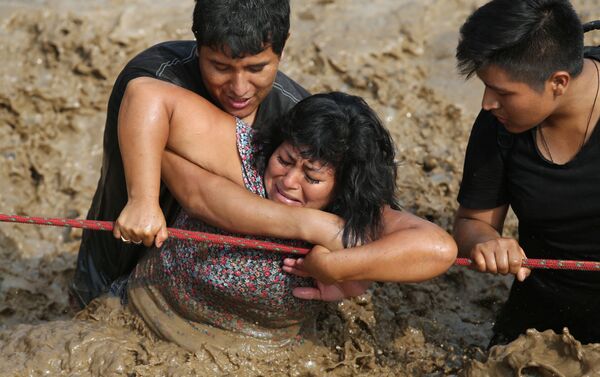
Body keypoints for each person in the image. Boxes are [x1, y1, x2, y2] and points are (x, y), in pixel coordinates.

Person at [117, 88, 457, 349]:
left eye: (312, 177)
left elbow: (438, 248)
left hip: (259, 353)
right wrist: (143, 200)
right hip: (146, 317)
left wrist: (338, 268)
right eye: (286, 159)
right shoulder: (249, 156)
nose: (289, 181)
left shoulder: (352, 216)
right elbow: (145, 95)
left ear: (343, 190)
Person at [69, 0, 310, 307]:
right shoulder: (154, 77)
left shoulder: (296, 115)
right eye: (220, 67)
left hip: (214, 296)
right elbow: (198, 192)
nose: (239, 88)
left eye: (256, 68)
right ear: (199, 47)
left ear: (282, 46)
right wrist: (142, 200)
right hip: (116, 264)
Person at [453, 0, 600, 346]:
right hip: (545, 301)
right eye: (485, 86)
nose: (487, 103)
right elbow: (472, 222)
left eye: (503, 92)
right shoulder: (497, 124)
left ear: (558, 82)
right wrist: (486, 242)